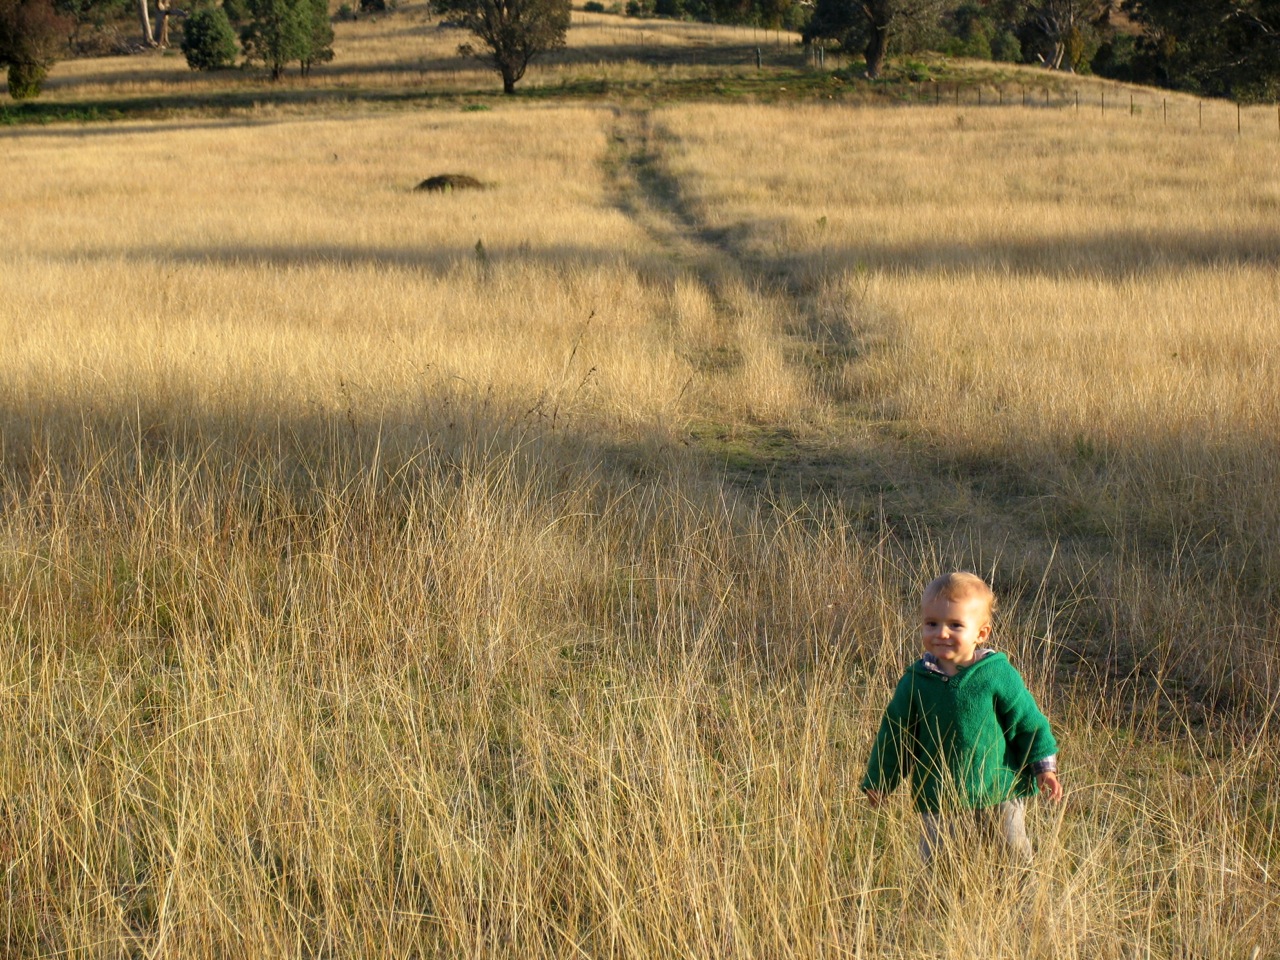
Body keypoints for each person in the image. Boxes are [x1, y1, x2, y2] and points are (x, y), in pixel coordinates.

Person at [862, 572, 1062, 865]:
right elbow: (896, 734)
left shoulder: (995, 673)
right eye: (932, 624)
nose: (941, 633)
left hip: (998, 790)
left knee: (1013, 859)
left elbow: (1028, 722)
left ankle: (1024, 910)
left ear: (981, 634)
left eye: (955, 625)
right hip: (940, 796)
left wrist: (1044, 769)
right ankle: (943, 909)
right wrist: (881, 779)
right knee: (940, 865)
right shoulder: (916, 681)